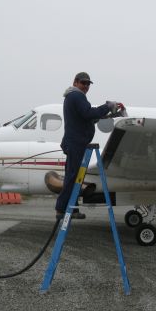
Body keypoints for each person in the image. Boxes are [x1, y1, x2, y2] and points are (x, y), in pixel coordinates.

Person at [55, 72, 123, 219]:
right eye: (83, 83)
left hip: (75, 143)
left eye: (88, 84)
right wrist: (107, 106)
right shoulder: (76, 96)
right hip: (76, 143)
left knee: (73, 176)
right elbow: (87, 113)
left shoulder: (72, 97)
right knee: (73, 177)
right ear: (75, 82)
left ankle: (71, 208)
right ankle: (61, 209)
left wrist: (108, 115)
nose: (86, 86)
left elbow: (86, 118)